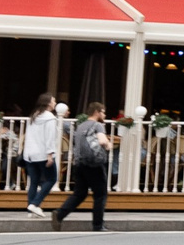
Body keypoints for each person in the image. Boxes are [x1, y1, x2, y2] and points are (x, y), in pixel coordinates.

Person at [48, 103, 115, 232]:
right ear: (97, 112)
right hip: (94, 164)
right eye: (103, 112)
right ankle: (98, 225)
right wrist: (108, 144)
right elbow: (102, 141)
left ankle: (60, 214)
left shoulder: (81, 126)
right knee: (100, 195)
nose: (104, 115)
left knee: (79, 193)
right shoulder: (98, 125)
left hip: (79, 163)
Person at [20, 93, 62, 215]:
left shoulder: (34, 115)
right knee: (52, 179)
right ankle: (35, 204)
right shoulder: (50, 118)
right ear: (48, 103)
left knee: (34, 182)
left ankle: (31, 210)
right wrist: (50, 154)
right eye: (53, 101)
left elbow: (29, 136)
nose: (55, 103)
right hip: (43, 154)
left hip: (30, 154)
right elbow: (50, 137)